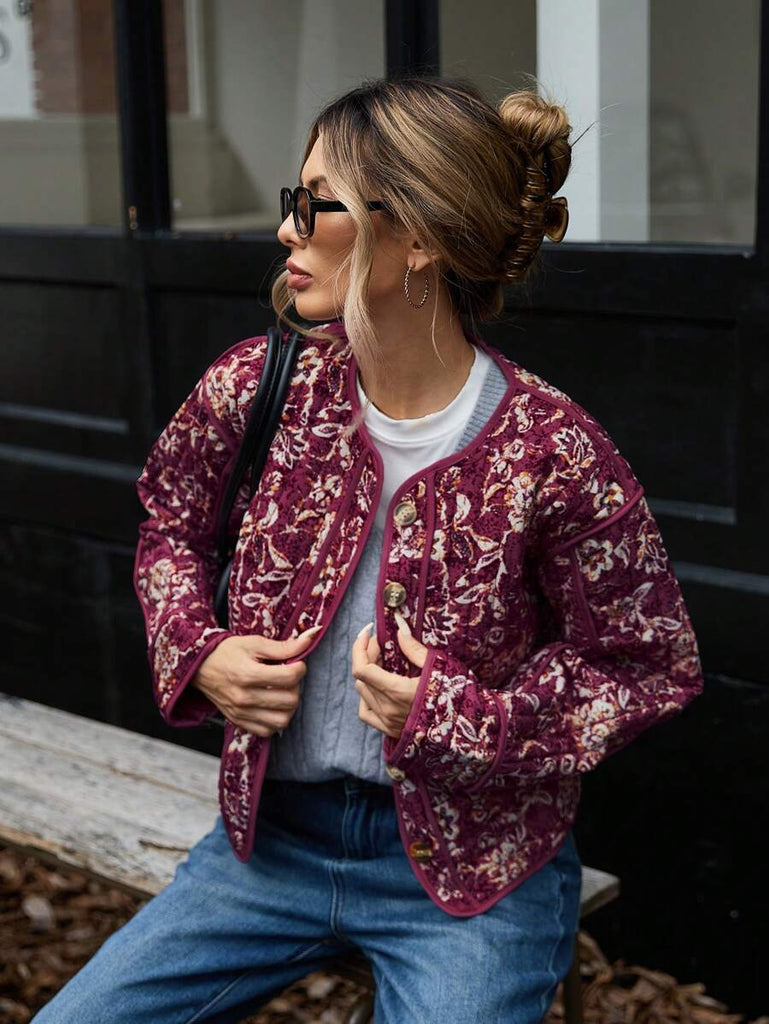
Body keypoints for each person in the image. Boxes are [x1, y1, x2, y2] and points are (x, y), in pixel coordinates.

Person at [32, 74, 704, 1024]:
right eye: (293, 199)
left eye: (319, 204)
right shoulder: (257, 388)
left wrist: (465, 718)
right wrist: (199, 649)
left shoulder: (553, 452)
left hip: (470, 873)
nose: (287, 229)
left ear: (418, 236)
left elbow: (645, 663)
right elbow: (170, 526)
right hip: (270, 843)